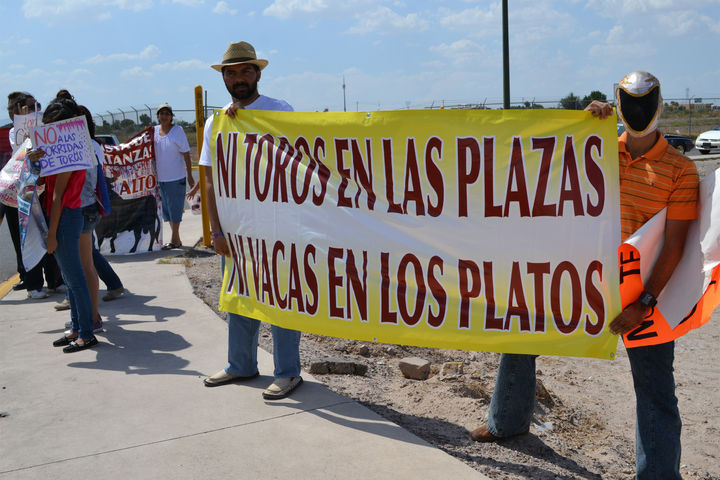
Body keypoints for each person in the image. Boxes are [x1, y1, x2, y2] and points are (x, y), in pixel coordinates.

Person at [471, 72, 699, 480]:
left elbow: (675, 246)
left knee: (654, 389)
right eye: (630, 101)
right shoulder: (598, 150)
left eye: (645, 101)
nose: (639, 109)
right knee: (522, 332)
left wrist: (644, 302)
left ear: (660, 104)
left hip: (640, 293)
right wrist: (581, 126)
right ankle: (506, 420)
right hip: (581, 276)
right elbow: (547, 166)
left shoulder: (681, 170)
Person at [200, 41, 303, 400]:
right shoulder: (216, 122)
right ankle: (240, 365)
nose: (239, 78)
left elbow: (296, 166)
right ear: (224, 78)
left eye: (246, 71)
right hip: (236, 229)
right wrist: (216, 229)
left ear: (258, 74)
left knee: (281, 298)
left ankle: (288, 372)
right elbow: (211, 178)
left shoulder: (280, 111)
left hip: (276, 227)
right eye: (231, 72)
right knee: (240, 296)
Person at [34, 97, 99, 352]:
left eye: (54, 124)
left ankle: (86, 332)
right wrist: (34, 159)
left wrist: (51, 235)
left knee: (75, 279)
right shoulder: (62, 151)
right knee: (72, 280)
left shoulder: (70, 153)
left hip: (66, 216)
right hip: (63, 215)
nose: (50, 131)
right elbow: (42, 182)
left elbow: (58, 195)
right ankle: (76, 327)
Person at [5, 91, 64, 298]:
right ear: (16, 113)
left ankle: (55, 279)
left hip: (42, 189)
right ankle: (33, 285)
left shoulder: (45, 127)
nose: (35, 109)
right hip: (22, 192)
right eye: (29, 107)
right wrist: (26, 123)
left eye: (36, 105)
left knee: (48, 234)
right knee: (27, 238)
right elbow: (21, 149)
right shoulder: (15, 132)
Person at [153, 103, 194, 250]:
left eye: (167, 113)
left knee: (176, 209)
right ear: (158, 116)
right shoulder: (154, 131)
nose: (164, 116)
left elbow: (186, 153)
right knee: (167, 211)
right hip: (161, 179)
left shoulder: (178, 131)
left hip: (176, 177)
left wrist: (189, 175)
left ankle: (174, 239)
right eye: (161, 113)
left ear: (171, 116)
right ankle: (177, 239)